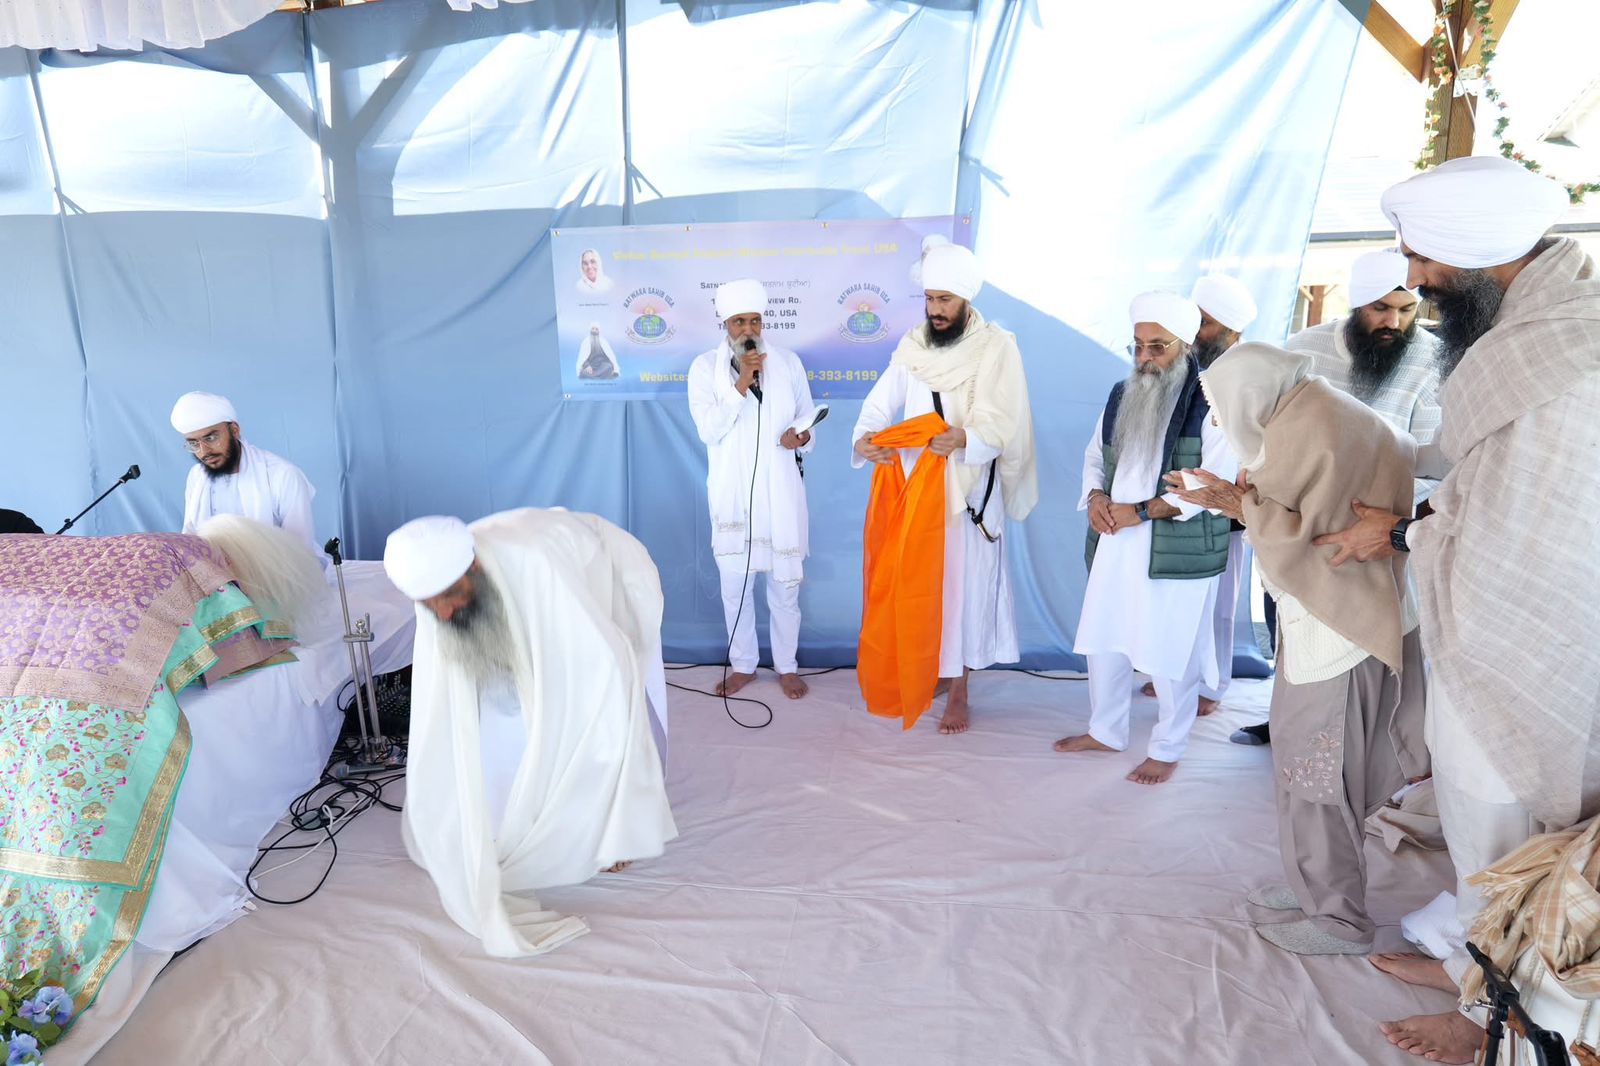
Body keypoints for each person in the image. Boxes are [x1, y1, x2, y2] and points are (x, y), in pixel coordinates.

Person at [1312, 156, 1596, 1064]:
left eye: (1423, 259)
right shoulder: (1537, 329)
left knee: (1509, 835)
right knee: (1482, 829)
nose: (1415, 278)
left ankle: (1493, 1020)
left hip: (1529, 641)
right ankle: (1474, 969)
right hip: (1495, 622)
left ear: (1475, 255)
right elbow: (1488, 491)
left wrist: (1399, 534)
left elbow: (1520, 533)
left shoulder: (1564, 357)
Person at [1169, 343, 1427, 954]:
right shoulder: (1318, 414)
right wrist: (1242, 502)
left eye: (1221, 403)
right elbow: (1305, 515)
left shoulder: (1314, 430)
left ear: (1250, 393)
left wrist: (1234, 503)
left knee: (1319, 774)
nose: (1221, 416)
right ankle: (1317, 886)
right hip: (1339, 617)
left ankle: (1338, 920)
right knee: (1312, 764)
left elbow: (1311, 538)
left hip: (1335, 629)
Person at [383, 510, 677, 957]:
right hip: (515, 588)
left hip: (603, 574)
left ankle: (610, 826)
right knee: (500, 716)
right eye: (428, 604)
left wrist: (618, 827)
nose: (441, 612)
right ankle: (516, 815)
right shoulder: (437, 582)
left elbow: (609, 673)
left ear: (473, 568)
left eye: (447, 597)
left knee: (591, 716)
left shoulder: (537, 568)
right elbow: (443, 704)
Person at [852, 243, 1037, 734]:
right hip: (918, 494)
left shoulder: (997, 348)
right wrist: (865, 438)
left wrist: (966, 439)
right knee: (926, 589)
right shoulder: (913, 346)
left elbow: (1006, 420)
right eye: (929, 299)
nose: (934, 309)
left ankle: (959, 689)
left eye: (944, 300)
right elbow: (879, 402)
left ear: (966, 300)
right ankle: (933, 668)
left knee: (964, 592)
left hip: (967, 494)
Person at [1054, 292, 1236, 783]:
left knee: (1172, 650)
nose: (1144, 358)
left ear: (1186, 344)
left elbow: (1215, 481)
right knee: (1106, 638)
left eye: (1158, 347)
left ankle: (1168, 747)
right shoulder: (1122, 393)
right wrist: (1095, 497)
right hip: (1117, 539)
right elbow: (1096, 455)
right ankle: (1105, 730)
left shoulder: (1214, 401)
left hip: (1177, 544)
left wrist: (1140, 511)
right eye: (1137, 346)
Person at [686, 278, 819, 700]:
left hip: (781, 492)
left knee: (785, 588)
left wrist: (802, 436)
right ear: (725, 324)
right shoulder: (704, 368)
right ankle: (743, 665)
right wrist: (742, 382)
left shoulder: (788, 363)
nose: (748, 329)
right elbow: (709, 430)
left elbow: (806, 417)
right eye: (739, 321)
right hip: (734, 495)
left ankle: (787, 666)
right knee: (736, 588)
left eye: (755, 321)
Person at [1287, 249, 1442, 505]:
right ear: (1357, 304)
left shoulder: (1434, 360)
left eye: (1407, 309)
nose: (1393, 322)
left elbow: (1431, 466)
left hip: (1377, 516)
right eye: (1380, 308)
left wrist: (1360, 509)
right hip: (1298, 505)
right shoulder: (1303, 349)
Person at [1181, 274, 1259, 716]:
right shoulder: (1193, 368)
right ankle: (1180, 675)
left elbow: (1237, 450)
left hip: (1224, 504)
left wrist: (1198, 492)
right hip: (1184, 498)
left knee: (1219, 603)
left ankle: (1213, 686)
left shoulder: (1246, 376)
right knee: (1183, 599)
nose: (1195, 332)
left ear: (1232, 330)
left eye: (1205, 323)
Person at [170, 391, 320, 559]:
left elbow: (299, 550)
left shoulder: (282, 475)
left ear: (235, 430)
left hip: (278, 568)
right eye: (194, 443)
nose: (204, 451)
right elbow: (191, 537)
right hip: (214, 569)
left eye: (211, 438)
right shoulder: (197, 476)